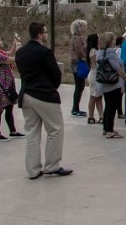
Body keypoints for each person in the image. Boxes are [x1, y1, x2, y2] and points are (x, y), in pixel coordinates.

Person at [15, 21, 72, 179]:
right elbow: (56, 74)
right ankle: (52, 165)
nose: (46, 34)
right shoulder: (45, 52)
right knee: (55, 129)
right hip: (44, 94)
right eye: (45, 32)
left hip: (26, 93)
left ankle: (33, 170)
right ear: (40, 34)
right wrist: (52, 87)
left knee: (32, 132)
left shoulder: (20, 52)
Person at [0, 33, 24, 141]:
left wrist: (15, 43)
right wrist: (19, 47)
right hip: (2, 87)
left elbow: (10, 53)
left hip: (7, 85)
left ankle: (13, 131)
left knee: (9, 108)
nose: (1, 41)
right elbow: (14, 59)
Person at [97, 32, 126, 139]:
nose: (115, 40)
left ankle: (106, 127)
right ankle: (110, 130)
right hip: (113, 83)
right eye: (113, 39)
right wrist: (124, 76)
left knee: (108, 105)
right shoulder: (110, 52)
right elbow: (116, 66)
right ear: (109, 41)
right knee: (112, 107)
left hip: (104, 82)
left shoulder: (100, 52)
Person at [69, 19, 88, 117]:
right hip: (77, 64)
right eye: (84, 26)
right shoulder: (77, 38)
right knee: (79, 86)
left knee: (80, 86)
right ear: (79, 28)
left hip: (77, 64)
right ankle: (75, 108)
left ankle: (76, 107)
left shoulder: (80, 37)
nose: (85, 28)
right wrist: (86, 58)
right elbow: (79, 51)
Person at [85, 33, 103, 124]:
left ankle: (101, 116)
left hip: (96, 74)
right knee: (93, 96)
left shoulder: (96, 50)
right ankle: (91, 116)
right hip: (94, 75)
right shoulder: (93, 51)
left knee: (99, 96)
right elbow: (94, 64)